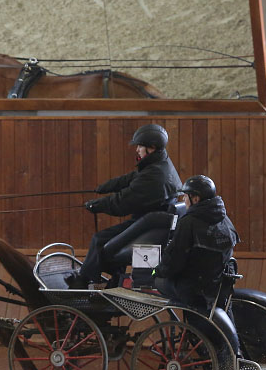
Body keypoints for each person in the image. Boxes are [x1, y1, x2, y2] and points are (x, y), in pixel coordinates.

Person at [67, 123, 182, 288]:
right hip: (151, 223)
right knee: (111, 240)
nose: (137, 150)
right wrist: (105, 187)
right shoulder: (161, 163)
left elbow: (121, 202)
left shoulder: (154, 176)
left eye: (140, 146)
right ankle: (115, 282)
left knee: (100, 240)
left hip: (149, 226)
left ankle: (81, 283)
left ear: (151, 148)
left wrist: (97, 205)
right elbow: (132, 178)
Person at [153, 174, 240, 311]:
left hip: (195, 289)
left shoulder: (189, 222)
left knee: (158, 281)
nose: (184, 200)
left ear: (195, 198)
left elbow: (174, 260)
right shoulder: (223, 218)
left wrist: (156, 271)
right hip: (219, 287)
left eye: (186, 196)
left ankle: (188, 320)